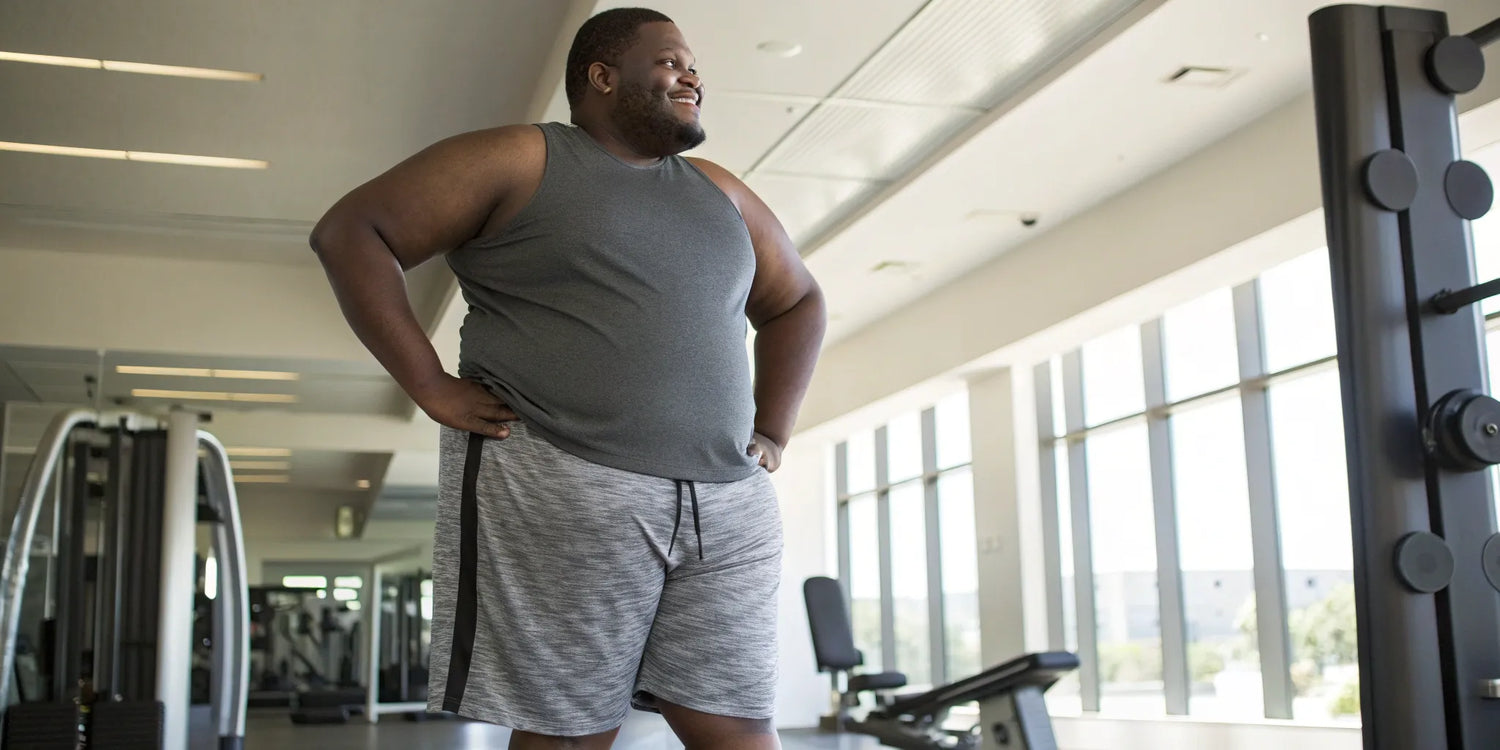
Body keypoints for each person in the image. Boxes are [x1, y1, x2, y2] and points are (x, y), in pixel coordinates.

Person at [308, 7, 825, 749]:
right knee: (570, 731)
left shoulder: (722, 191)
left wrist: (772, 428)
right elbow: (352, 232)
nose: (693, 75)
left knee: (736, 728)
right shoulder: (523, 158)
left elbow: (799, 301)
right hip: (568, 474)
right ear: (602, 74)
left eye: (694, 66)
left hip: (728, 501)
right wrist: (427, 383)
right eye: (672, 61)